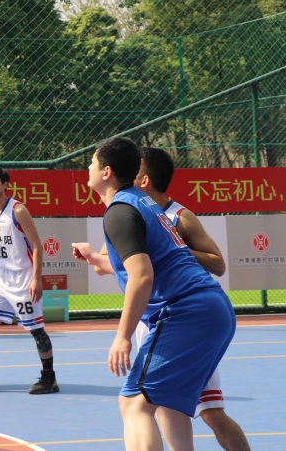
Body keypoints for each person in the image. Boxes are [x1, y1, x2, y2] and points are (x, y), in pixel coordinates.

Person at [72, 147, 250, 451]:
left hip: (184, 312)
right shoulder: (146, 205)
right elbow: (147, 264)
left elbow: (142, 276)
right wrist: (94, 258)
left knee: (134, 404)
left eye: (91, 162)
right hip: (208, 307)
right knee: (165, 403)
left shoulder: (120, 211)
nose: (87, 167)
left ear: (107, 172)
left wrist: (122, 336)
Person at [0, 166, 58, 395]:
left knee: (36, 329)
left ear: (5, 185)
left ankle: (49, 378)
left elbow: (37, 246)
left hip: (23, 277)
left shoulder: (18, 210)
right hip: (0, 278)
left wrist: (36, 278)